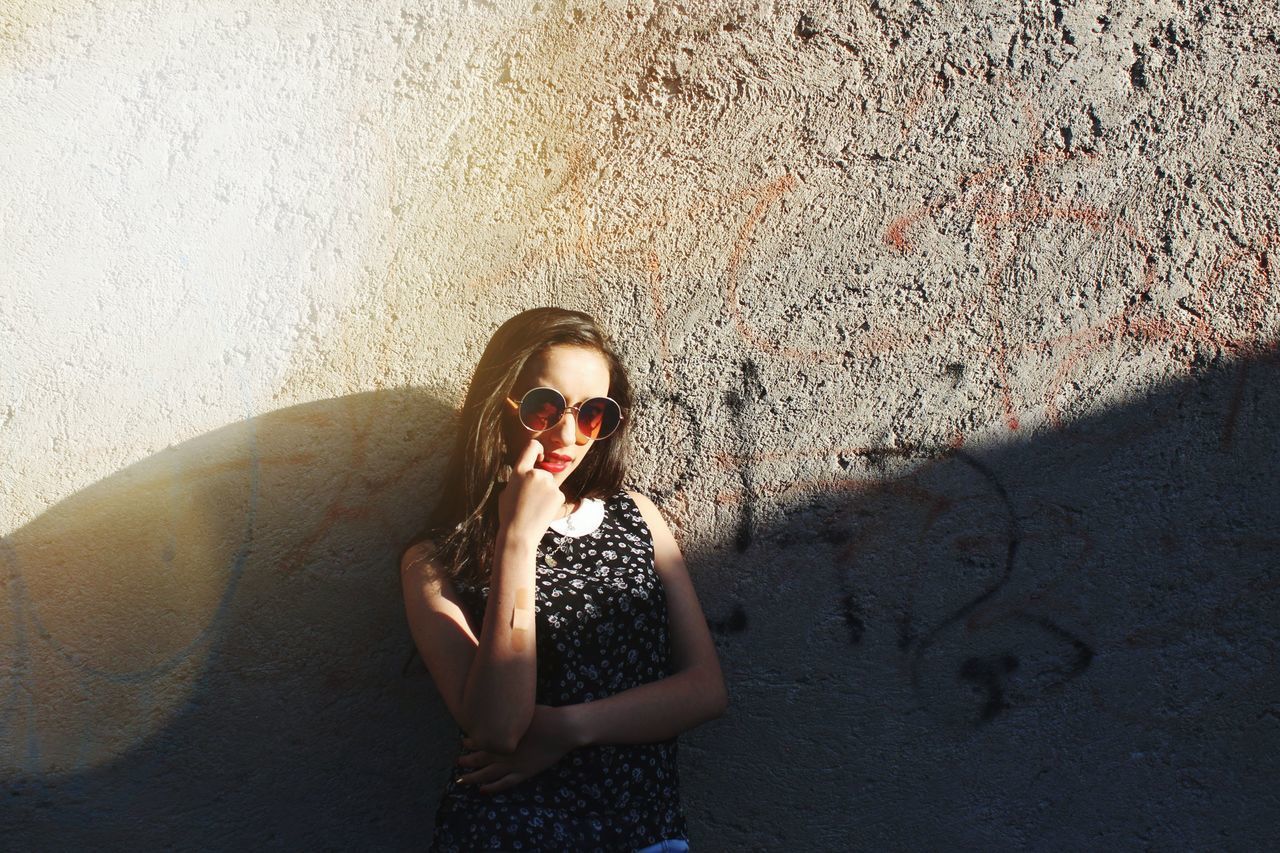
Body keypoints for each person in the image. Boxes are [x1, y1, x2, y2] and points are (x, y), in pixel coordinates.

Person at [401, 307, 728, 852]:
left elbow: (705, 690)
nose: (568, 435)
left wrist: (569, 729)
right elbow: (498, 728)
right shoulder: (434, 559)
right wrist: (516, 539)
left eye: (593, 413)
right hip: (508, 835)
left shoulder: (636, 517)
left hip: (644, 833)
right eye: (544, 407)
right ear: (500, 407)